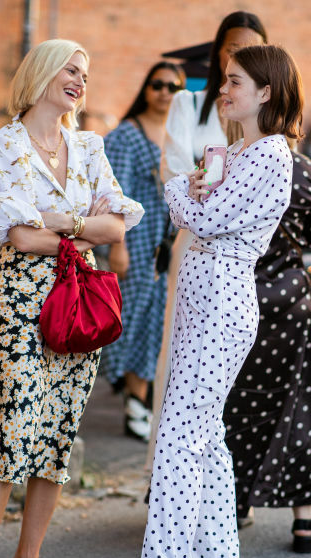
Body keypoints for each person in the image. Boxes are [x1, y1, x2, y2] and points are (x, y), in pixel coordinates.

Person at [0, 39, 143, 558]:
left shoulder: (88, 146)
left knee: (57, 436)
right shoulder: (2, 147)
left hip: (79, 299)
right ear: (40, 72)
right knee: (15, 431)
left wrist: (70, 223)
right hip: (24, 300)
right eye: (70, 68)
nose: (80, 79)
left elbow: (116, 225)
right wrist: (81, 233)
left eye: (86, 73)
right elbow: (20, 236)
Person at [135, 43, 302, 558]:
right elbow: (199, 210)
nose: (222, 90)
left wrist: (182, 189)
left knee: (179, 439)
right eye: (224, 80)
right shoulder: (235, 151)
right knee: (206, 440)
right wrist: (193, 189)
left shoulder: (268, 154)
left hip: (225, 295)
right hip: (204, 290)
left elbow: (200, 216)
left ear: (265, 92)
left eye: (233, 81)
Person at [144, 10, 268, 472]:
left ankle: (213, 472)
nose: (241, 57)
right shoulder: (188, 103)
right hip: (192, 242)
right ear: (220, 51)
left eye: (252, 50)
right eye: (234, 49)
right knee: (177, 358)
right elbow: (173, 171)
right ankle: (166, 468)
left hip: (236, 253)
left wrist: (209, 189)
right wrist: (204, 189)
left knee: (221, 371)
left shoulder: (265, 124)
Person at [225, 148, 311, 552]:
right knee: (296, 405)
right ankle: (305, 519)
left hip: (237, 296)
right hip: (290, 297)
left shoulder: (227, 162)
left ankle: (232, 501)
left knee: (232, 405)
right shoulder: (309, 170)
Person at [101, 62, 186, 441]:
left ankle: (138, 401)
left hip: (166, 244)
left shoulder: (178, 134)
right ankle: (130, 399)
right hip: (134, 240)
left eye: (173, 86)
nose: (165, 92)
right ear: (146, 88)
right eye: (157, 84)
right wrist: (117, 247)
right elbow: (112, 194)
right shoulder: (125, 135)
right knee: (129, 320)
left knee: (155, 322)